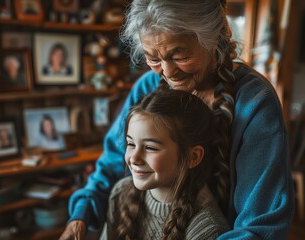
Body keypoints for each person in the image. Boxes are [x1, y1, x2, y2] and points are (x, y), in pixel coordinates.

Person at [60, 0, 294, 239]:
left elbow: (261, 223)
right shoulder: (148, 87)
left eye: (179, 55)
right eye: (153, 58)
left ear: (212, 38)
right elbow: (112, 161)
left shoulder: (254, 102)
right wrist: (81, 215)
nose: (168, 73)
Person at [100, 89, 230, 239]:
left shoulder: (208, 230)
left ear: (193, 157)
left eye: (150, 148)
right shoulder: (120, 193)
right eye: (131, 144)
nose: (134, 158)